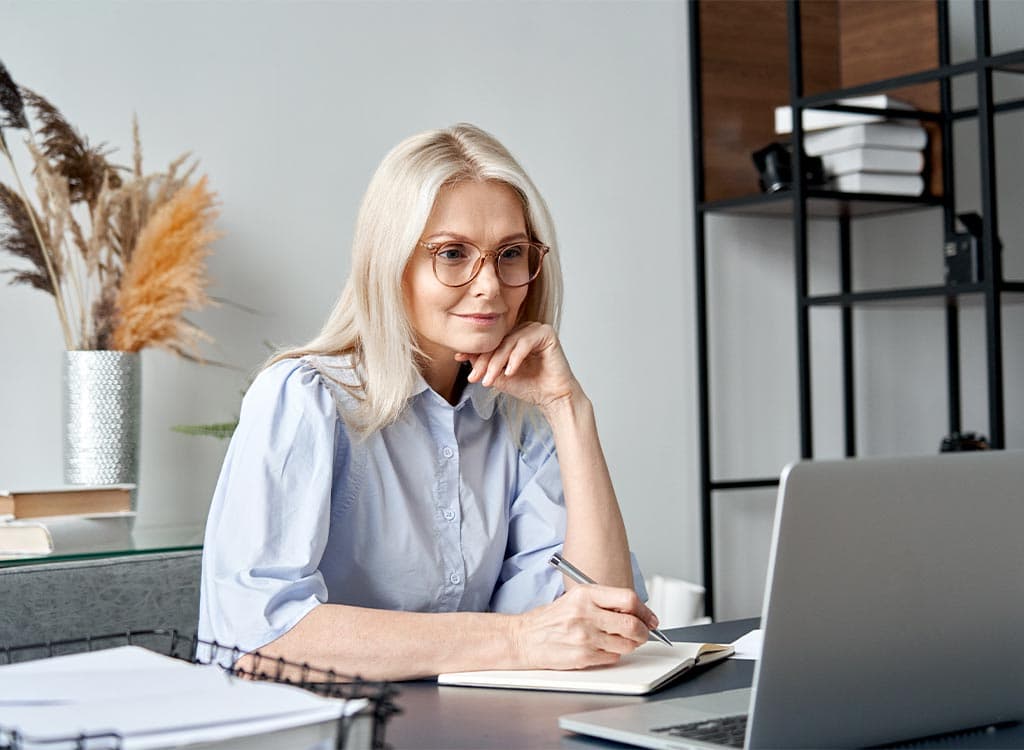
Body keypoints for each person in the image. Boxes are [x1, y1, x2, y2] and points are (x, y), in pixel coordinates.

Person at [197, 123, 655, 681]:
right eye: (453, 253)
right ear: (391, 265)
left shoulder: (517, 416)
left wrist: (569, 410)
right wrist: (516, 639)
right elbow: (258, 638)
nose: (489, 284)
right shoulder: (305, 399)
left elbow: (599, 623)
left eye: (510, 253)